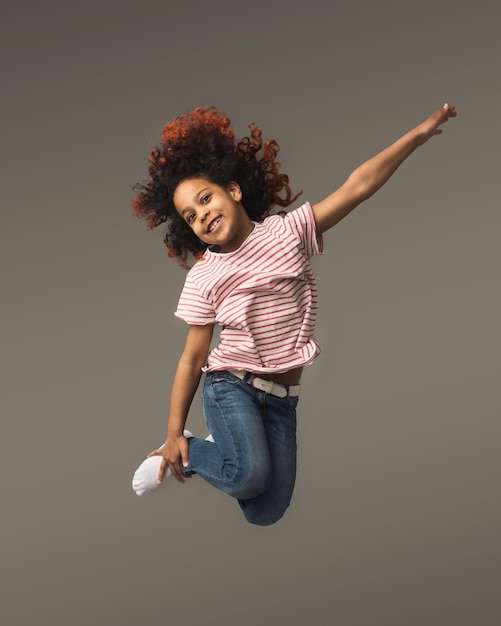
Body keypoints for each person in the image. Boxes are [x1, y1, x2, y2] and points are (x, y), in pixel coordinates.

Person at [131, 103, 457, 526]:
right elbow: (192, 358)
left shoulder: (289, 232)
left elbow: (356, 187)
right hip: (232, 386)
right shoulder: (203, 277)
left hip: (283, 400)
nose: (203, 215)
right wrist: (173, 433)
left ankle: (224, 449)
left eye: (206, 198)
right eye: (190, 216)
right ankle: (190, 453)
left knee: (264, 512)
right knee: (248, 477)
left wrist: (418, 135)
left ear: (234, 190)